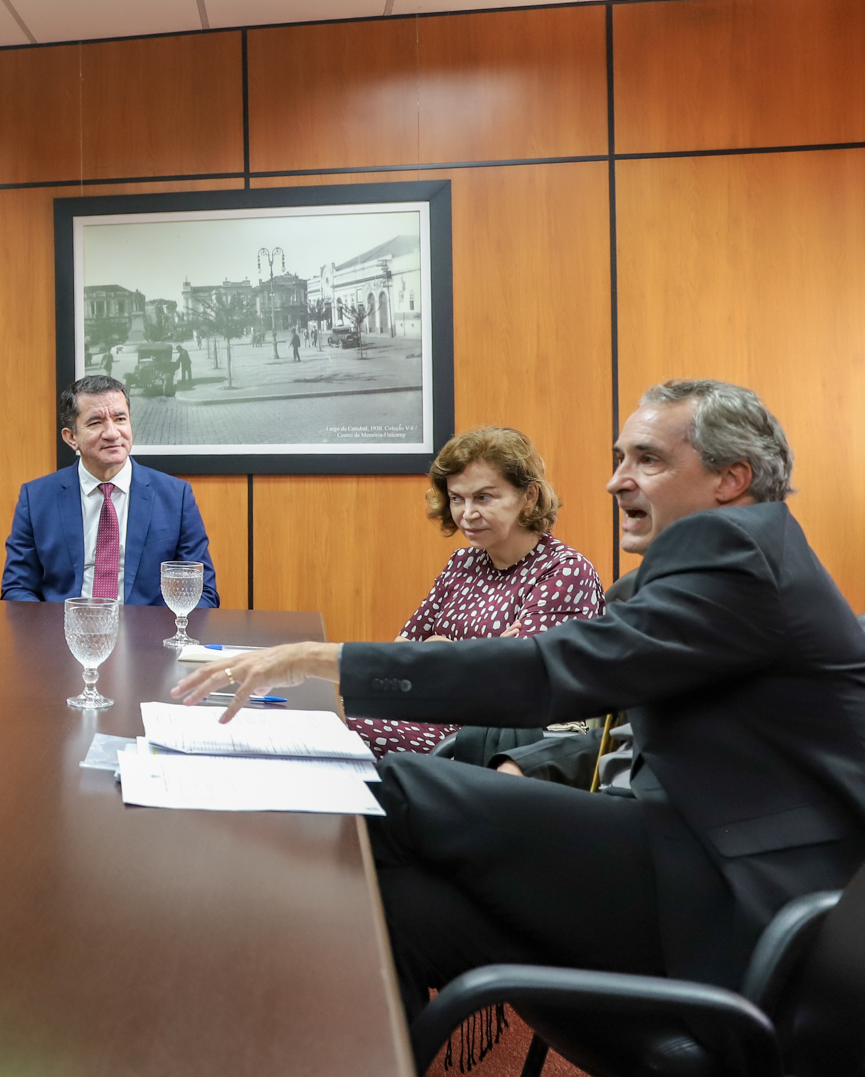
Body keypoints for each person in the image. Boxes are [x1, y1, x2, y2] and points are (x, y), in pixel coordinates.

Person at [175, 379, 865, 1021]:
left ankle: (202, 959)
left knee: (399, 788)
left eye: (647, 460)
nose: (615, 480)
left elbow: (549, 672)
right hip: (680, 864)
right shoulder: (728, 562)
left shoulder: (737, 550)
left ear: (731, 479)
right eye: (619, 458)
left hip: (734, 901)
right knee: (402, 907)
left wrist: (322, 659)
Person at [348, 427, 605, 758]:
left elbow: (520, 687)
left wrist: (442, 650)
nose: (467, 514)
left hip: (490, 739)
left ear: (529, 496)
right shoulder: (463, 561)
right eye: (457, 498)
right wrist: (481, 655)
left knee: (349, 728)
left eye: (483, 497)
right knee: (333, 714)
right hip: (432, 715)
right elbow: (400, 656)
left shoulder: (564, 571)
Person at [1, 374, 217, 607]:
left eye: (120, 419)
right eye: (95, 423)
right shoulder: (36, 498)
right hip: (63, 626)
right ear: (71, 437)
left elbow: (202, 592)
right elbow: (17, 588)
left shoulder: (175, 497)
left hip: (149, 628)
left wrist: (161, 629)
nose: (113, 433)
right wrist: (51, 627)